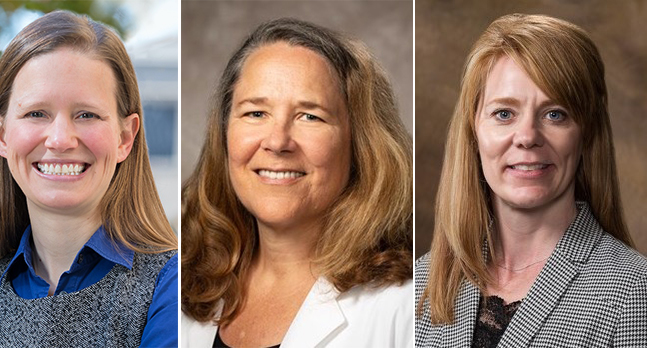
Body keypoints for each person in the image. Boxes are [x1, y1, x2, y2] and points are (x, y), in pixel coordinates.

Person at [0, 10, 178, 348]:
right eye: (36, 113)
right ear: (0, 134)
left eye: (87, 115)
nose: (60, 139)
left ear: (125, 138)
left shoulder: (169, 288)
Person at [415, 13, 647, 347]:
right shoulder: (422, 281)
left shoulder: (633, 293)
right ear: (473, 131)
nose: (527, 137)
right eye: (504, 114)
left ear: (586, 134)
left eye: (555, 114)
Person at [181, 18, 413, 347]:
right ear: (224, 134)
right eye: (256, 113)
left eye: (310, 116)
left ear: (360, 144)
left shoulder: (405, 307)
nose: (277, 142)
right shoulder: (181, 285)